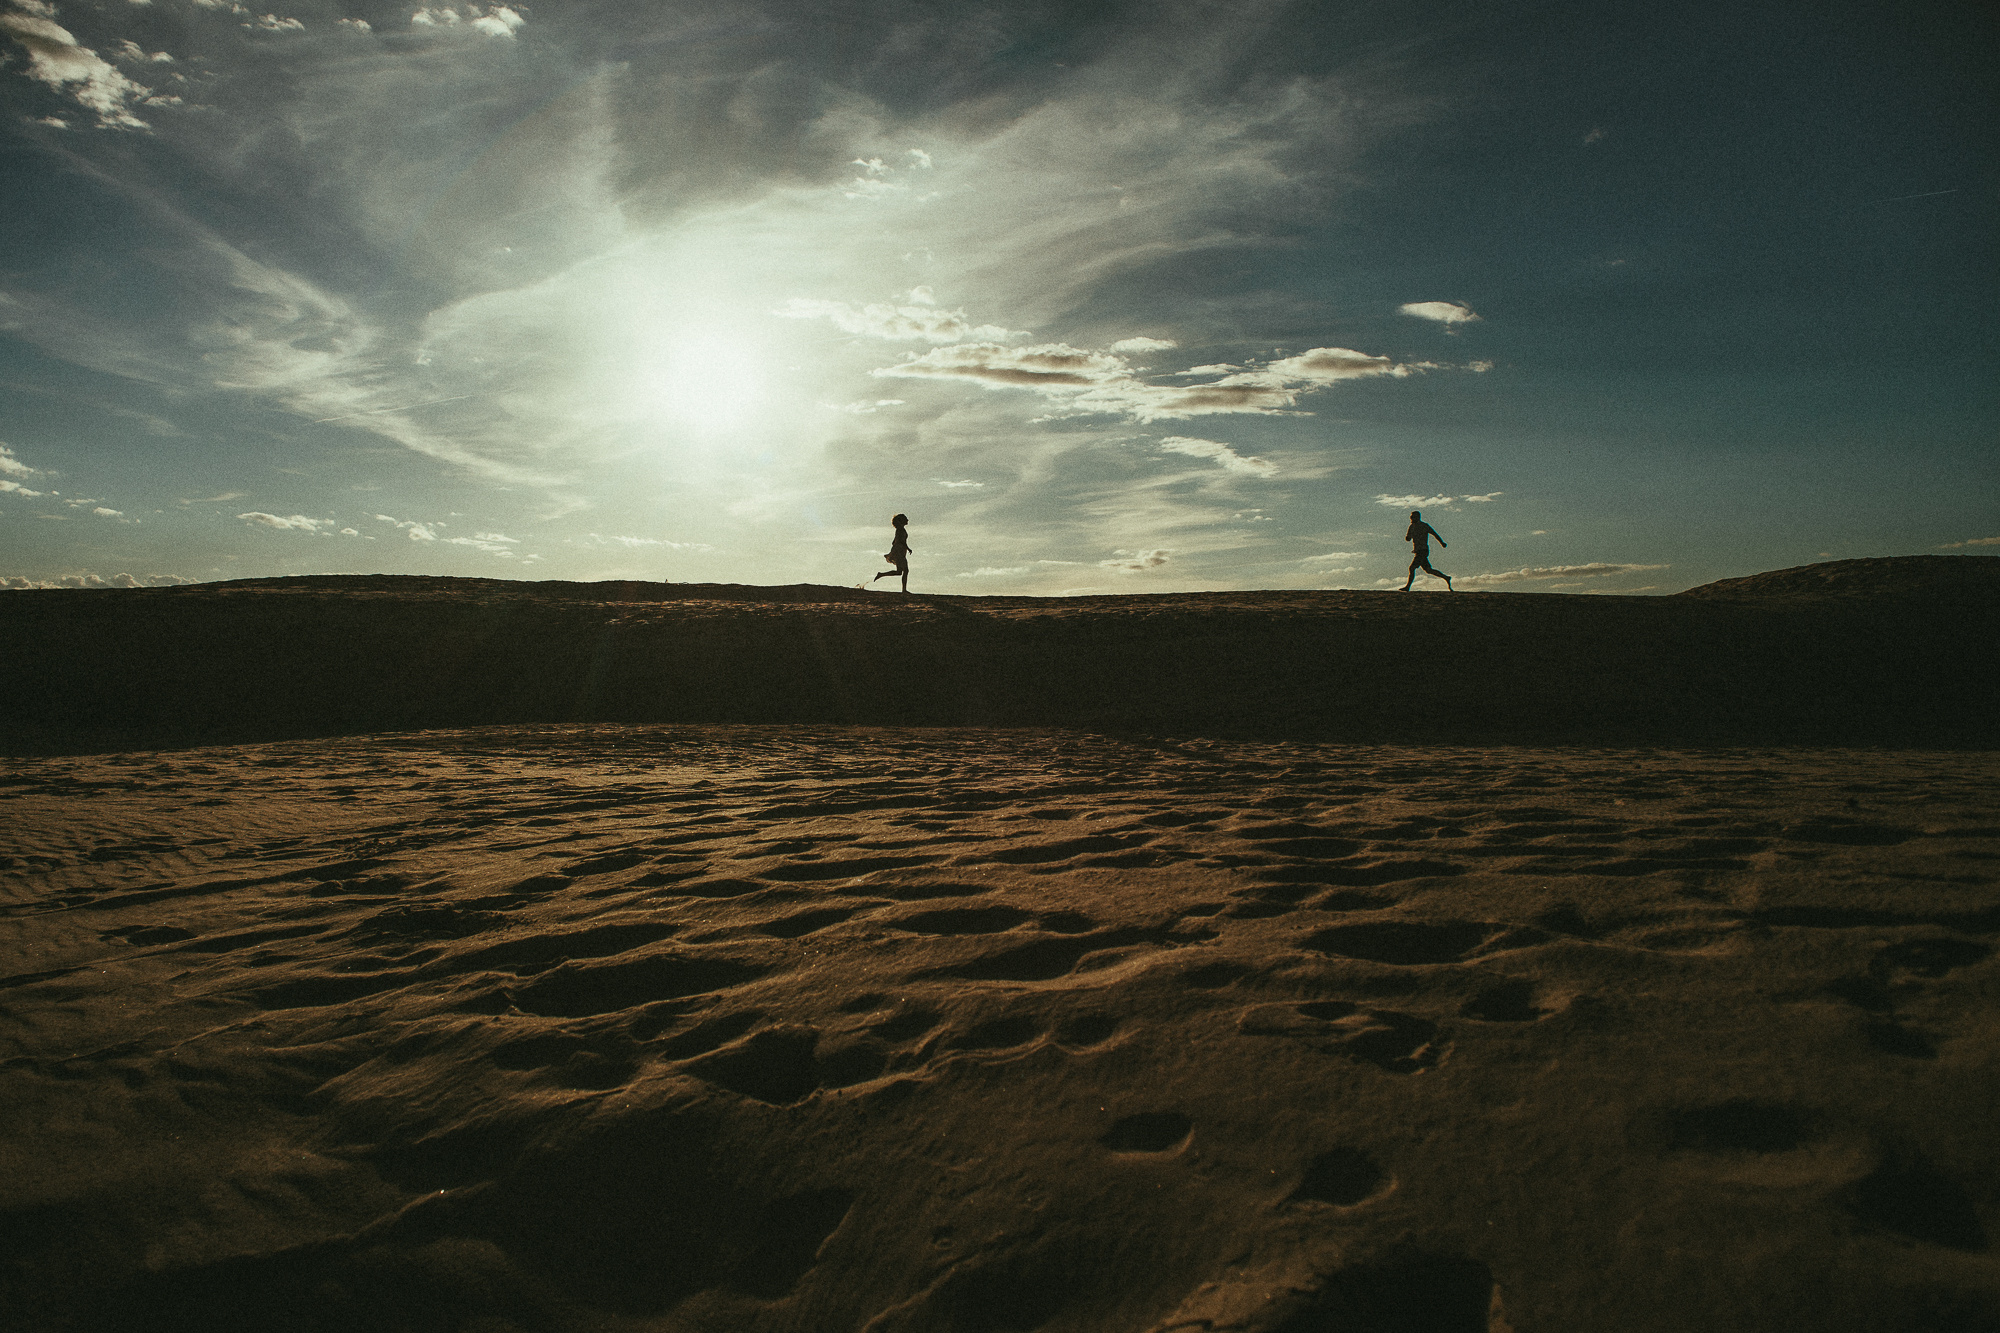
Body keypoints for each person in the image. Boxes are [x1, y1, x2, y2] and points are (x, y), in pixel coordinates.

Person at [1402, 510, 1452, 590]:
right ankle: (1446, 577)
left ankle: (1408, 587)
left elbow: (1435, 534)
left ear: (1417, 517)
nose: (1411, 518)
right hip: (1418, 550)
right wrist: (1408, 537)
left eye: (1413, 517)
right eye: (1411, 517)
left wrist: (1442, 543)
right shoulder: (1411, 527)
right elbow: (1408, 538)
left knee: (1412, 568)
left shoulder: (1424, 526)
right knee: (1428, 570)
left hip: (1423, 550)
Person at [871, 513, 912, 593]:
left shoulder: (900, 529)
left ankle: (881, 574)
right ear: (901, 521)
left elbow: (894, 541)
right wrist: (907, 548)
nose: (907, 520)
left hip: (900, 551)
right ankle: (904, 590)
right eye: (905, 518)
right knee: (905, 570)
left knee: (899, 572)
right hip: (899, 552)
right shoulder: (900, 529)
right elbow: (901, 541)